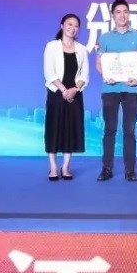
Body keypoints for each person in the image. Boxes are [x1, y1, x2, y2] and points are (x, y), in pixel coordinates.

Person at [95, 0, 137, 182]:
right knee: (109, 129)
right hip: (110, 88)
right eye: (118, 12)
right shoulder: (105, 38)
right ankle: (107, 169)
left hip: (132, 89)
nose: (122, 15)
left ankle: (130, 170)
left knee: (129, 130)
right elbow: (99, 63)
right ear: (113, 15)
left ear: (129, 14)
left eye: (125, 11)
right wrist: (106, 75)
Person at [42, 14, 89, 180]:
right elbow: (49, 72)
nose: (72, 28)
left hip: (75, 95)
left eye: (76, 26)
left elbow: (84, 75)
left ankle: (66, 167)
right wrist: (64, 90)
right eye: (69, 24)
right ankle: (53, 167)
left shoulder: (81, 49)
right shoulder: (52, 46)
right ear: (62, 26)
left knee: (71, 129)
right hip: (56, 93)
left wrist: (74, 89)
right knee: (54, 128)